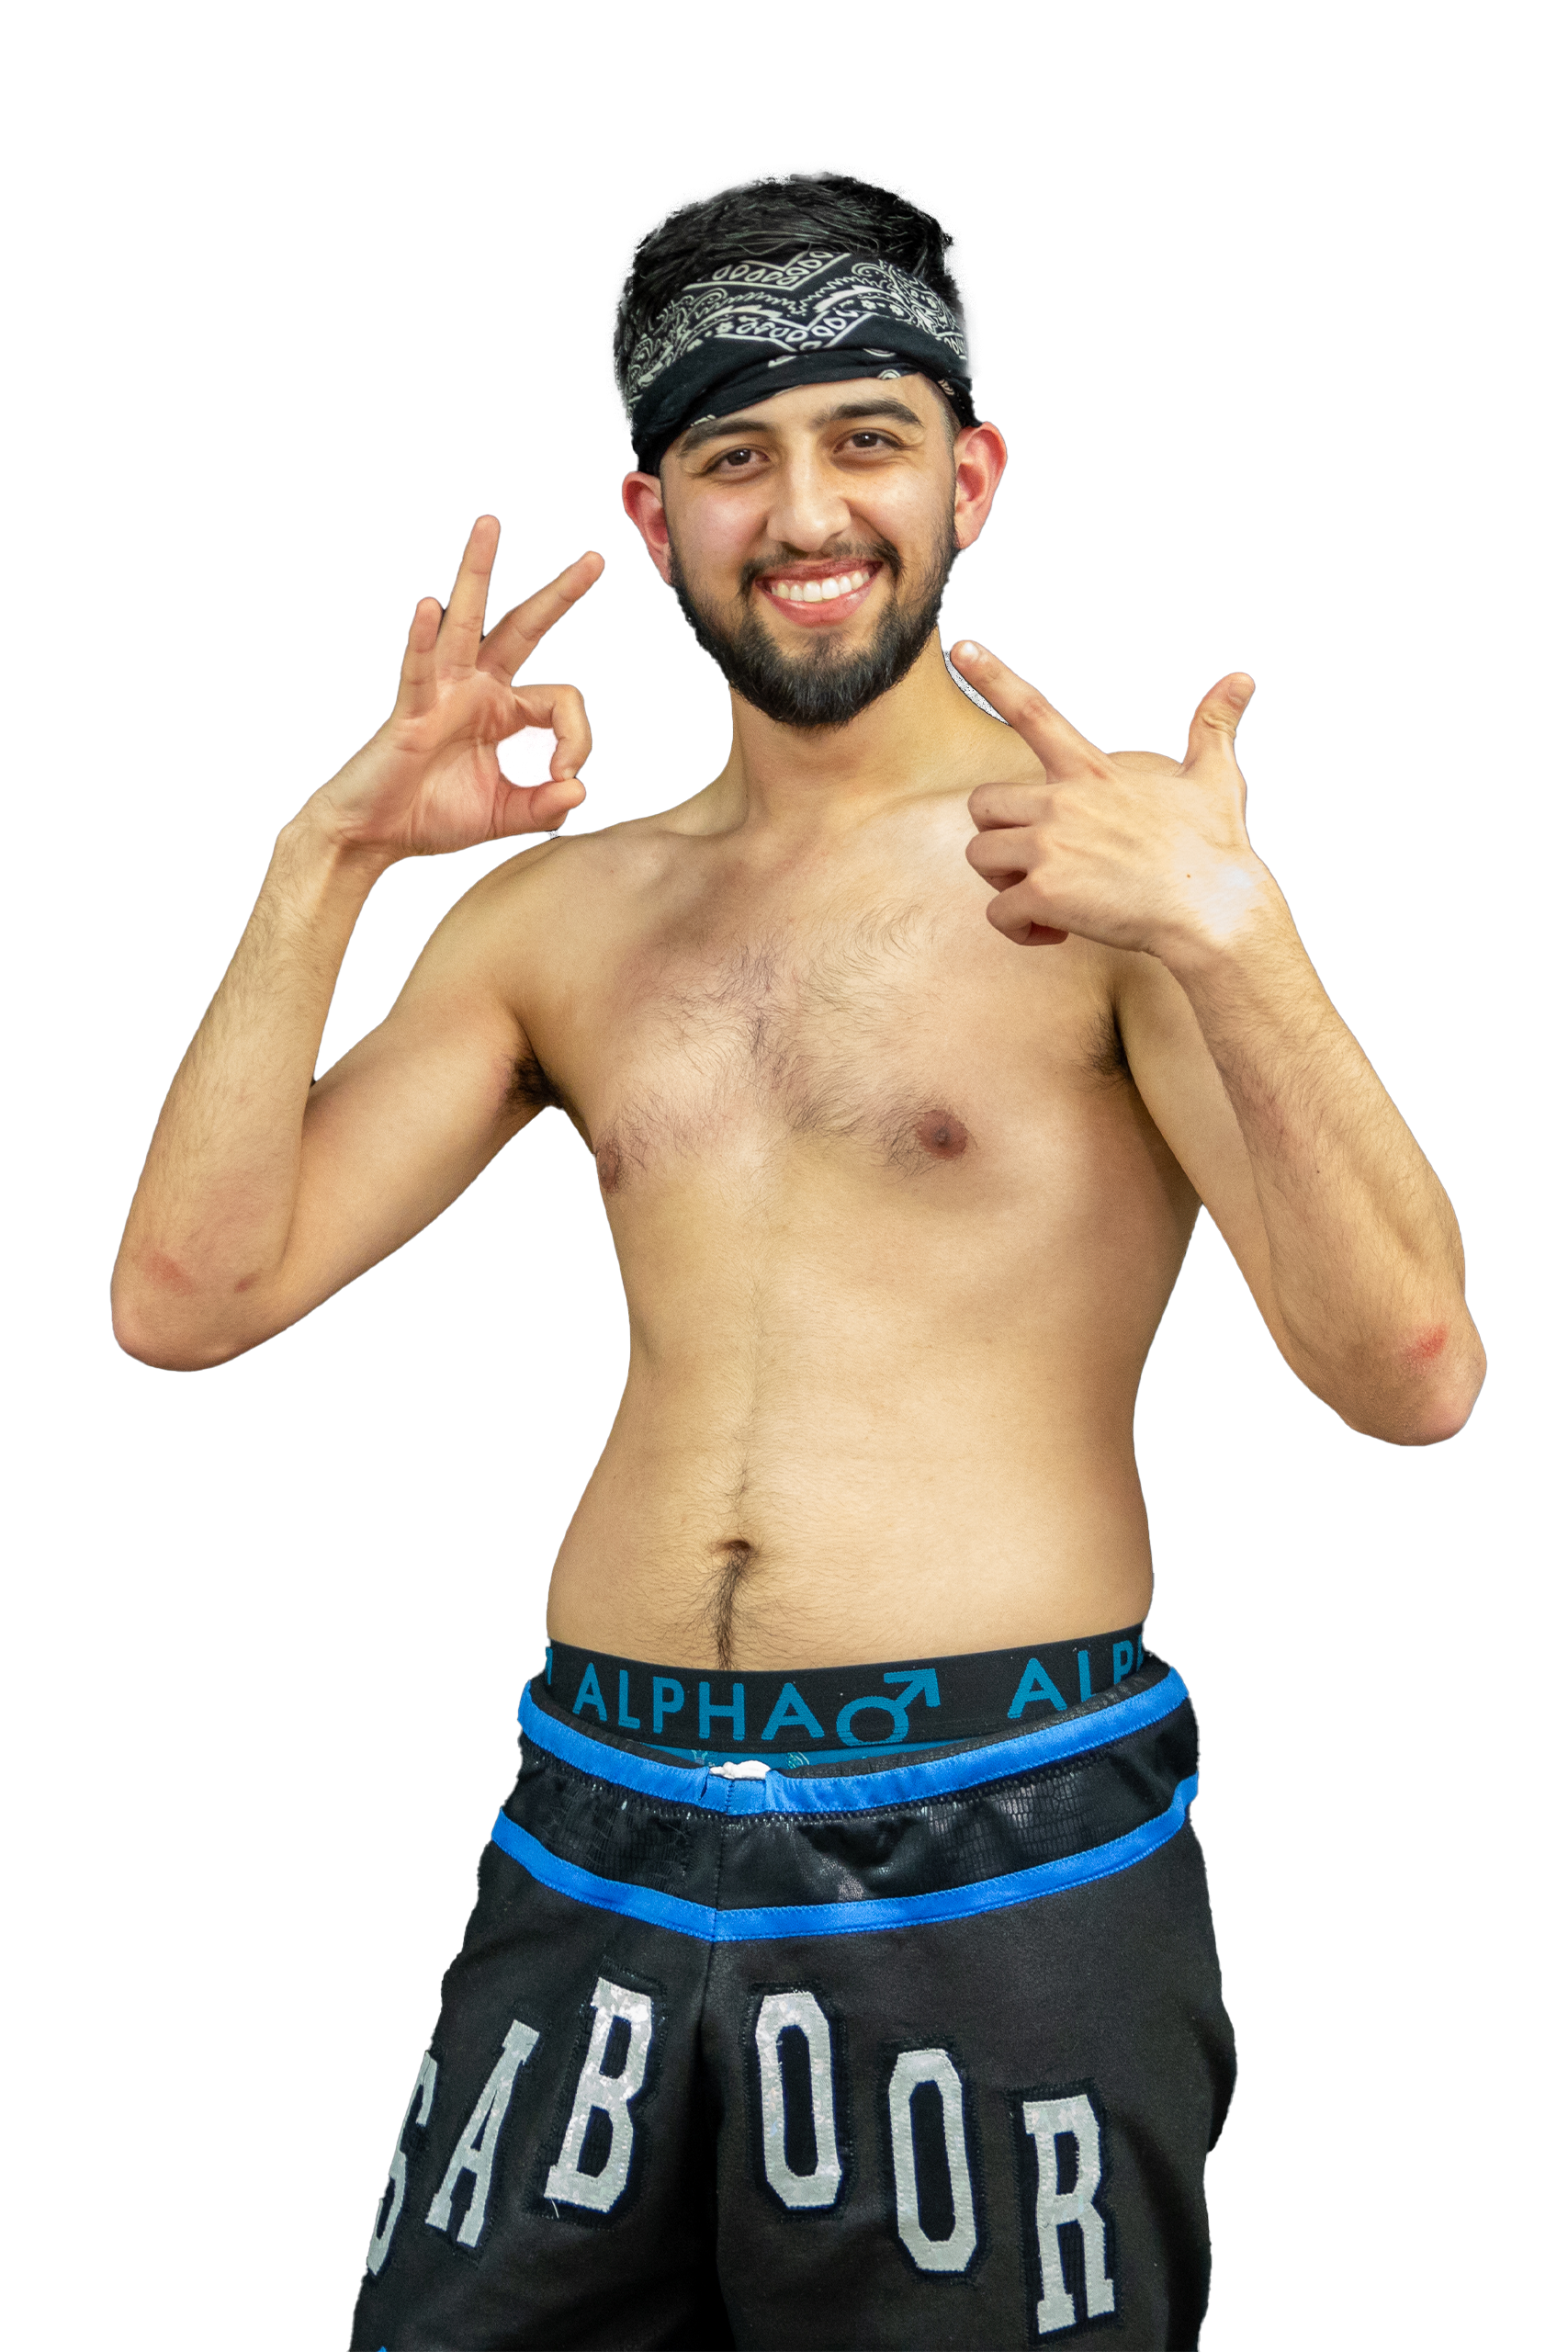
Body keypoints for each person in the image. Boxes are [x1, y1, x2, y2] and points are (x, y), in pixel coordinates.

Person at [111, 172, 1484, 2350]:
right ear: (658, 520)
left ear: (967, 477)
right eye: (735, 457)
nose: (808, 509)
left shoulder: (1108, 878)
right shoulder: (564, 915)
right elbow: (187, 1293)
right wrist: (332, 851)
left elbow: (1409, 1370)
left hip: (1000, 1837)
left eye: (866, 438)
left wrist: (1235, 936)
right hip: (592, 1827)